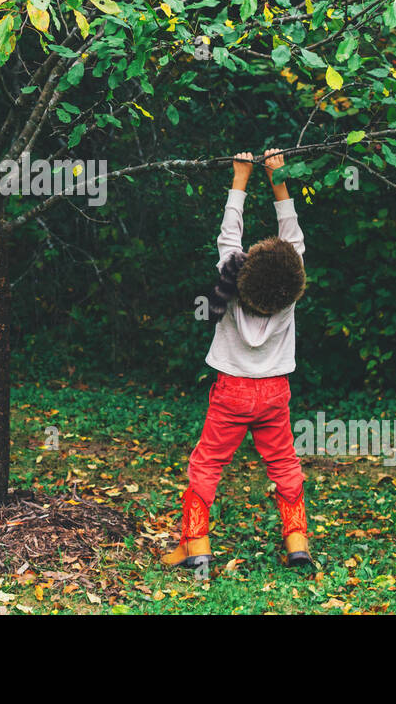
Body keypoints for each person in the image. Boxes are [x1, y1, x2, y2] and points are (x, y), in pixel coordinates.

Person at [161, 148, 312, 571]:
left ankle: (197, 546)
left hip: (231, 389)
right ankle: (297, 542)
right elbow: (292, 233)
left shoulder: (230, 282)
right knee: (284, 462)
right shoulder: (288, 294)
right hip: (274, 392)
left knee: (207, 463)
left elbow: (229, 236)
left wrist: (240, 176)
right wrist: (276, 177)